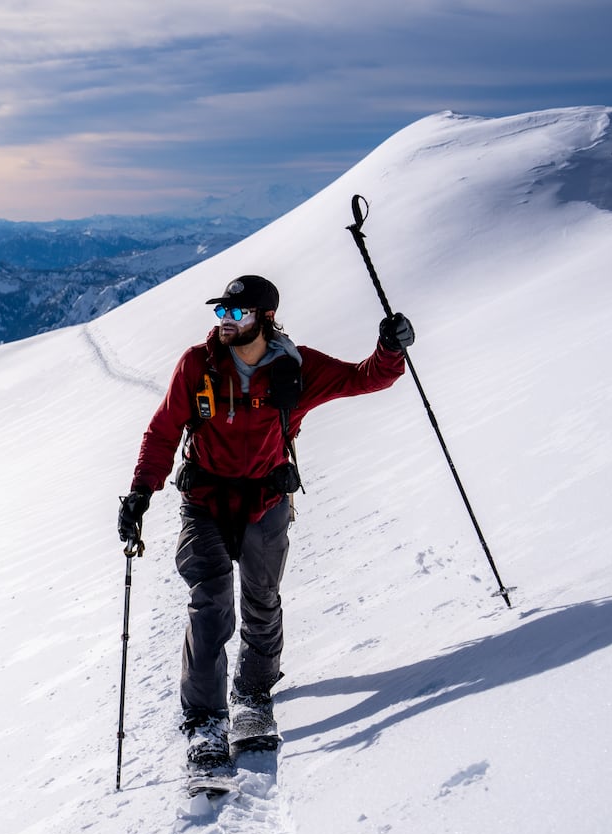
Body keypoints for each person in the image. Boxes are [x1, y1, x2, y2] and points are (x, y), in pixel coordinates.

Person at [116, 274, 414, 772]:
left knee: (262, 598)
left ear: (266, 318)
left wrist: (389, 348)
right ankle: (206, 720)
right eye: (223, 313)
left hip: (266, 500)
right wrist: (141, 492)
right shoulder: (198, 364)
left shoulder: (296, 369)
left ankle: (253, 696)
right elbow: (164, 429)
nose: (226, 322)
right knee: (210, 597)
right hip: (205, 499)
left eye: (238, 313)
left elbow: (367, 377)